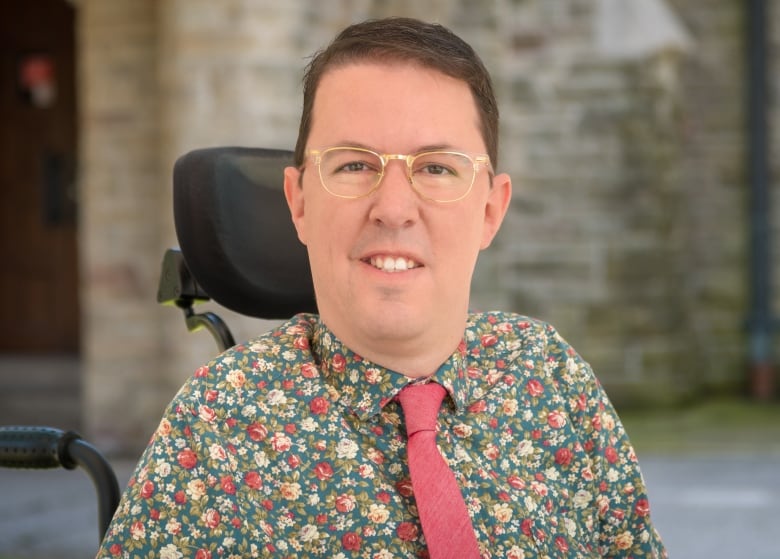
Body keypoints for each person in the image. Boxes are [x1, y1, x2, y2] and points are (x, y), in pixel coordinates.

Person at [97, 17, 666, 558]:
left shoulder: (554, 382)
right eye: (353, 166)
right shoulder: (219, 425)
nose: (393, 209)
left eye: (437, 168)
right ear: (298, 202)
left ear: (491, 210)